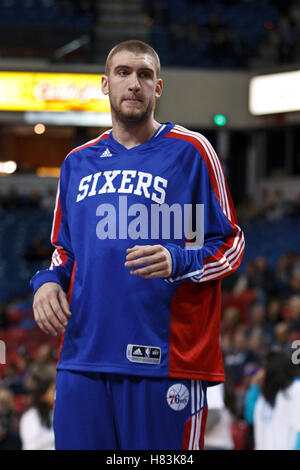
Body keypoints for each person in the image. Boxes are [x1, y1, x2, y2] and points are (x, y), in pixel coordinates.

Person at [30, 39, 244, 450]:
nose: (134, 83)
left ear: (158, 88)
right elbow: (65, 251)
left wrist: (178, 258)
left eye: (144, 75)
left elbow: (231, 244)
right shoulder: (77, 161)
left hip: (164, 361)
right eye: (123, 73)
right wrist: (46, 281)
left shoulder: (192, 151)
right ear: (105, 85)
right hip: (84, 360)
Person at [245, 350, 300, 450]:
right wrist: (254, 387)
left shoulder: (296, 390)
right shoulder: (265, 396)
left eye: (264, 368)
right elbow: (250, 416)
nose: (260, 373)